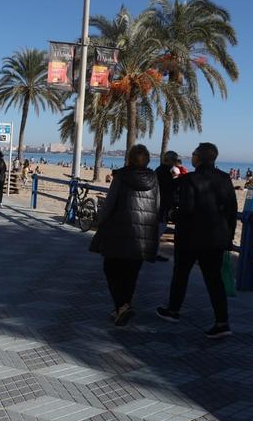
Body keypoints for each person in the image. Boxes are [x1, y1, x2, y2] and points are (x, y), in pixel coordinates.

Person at [157, 142, 237, 338]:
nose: (191, 157)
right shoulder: (225, 178)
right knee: (214, 279)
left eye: (193, 154)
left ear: (198, 158)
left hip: (190, 237)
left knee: (181, 273)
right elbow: (232, 210)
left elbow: (187, 209)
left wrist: (173, 215)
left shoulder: (190, 179)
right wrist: (229, 237)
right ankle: (222, 322)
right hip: (216, 237)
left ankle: (173, 310)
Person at [89, 145, 159, 326]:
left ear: (129, 159)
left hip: (119, 231)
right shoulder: (154, 179)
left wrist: (100, 222)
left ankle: (122, 306)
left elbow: (109, 204)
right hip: (143, 234)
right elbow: (157, 206)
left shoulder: (121, 177)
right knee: (131, 274)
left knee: (110, 268)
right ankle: (122, 308)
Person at [155, 151, 179, 262]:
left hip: (158, 205)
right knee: (158, 229)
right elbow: (168, 190)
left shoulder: (159, 170)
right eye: (174, 160)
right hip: (161, 206)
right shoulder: (165, 173)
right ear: (169, 160)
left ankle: (153, 252)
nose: (175, 163)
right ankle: (153, 253)